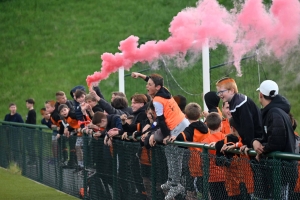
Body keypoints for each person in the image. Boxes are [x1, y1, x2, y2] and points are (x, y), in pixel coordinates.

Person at [132, 72, 189, 200]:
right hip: (180, 123)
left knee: (174, 154)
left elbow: (161, 120)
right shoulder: (164, 90)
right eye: (147, 84)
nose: (147, 86)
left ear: (157, 87)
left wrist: (166, 136)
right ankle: (173, 180)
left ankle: (176, 184)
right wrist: (140, 76)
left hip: (176, 126)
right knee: (171, 153)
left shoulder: (157, 100)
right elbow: (153, 80)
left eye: (150, 85)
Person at [252, 80, 297, 200]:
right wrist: (256, 141)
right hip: (279, 168)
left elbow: (277, 141)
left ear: (261, 94)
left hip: (281, 169)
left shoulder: (274, 113)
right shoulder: (275, 111)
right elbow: (268, 136)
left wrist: (262, 149)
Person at [216, 77, 263, 150]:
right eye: (218, 92)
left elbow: (248, 126)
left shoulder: (241, 103)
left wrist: (249, 145)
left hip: (257, 141)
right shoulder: (234, 103)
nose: (219, 95)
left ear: (232, 90)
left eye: (221, 92)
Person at [176, 102, 209, 199]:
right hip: (206, 163)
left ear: (185, 116)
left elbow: (179, 139)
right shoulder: (206, 128)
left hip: (194, 165)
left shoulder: (189, 130)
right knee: (206, 192)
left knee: (190, 192)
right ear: (199, 115)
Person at [215, 117, 254, 199]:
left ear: (232, 128)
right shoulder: (249, 139)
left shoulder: (229, 141)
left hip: (239, 184)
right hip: (248, 183)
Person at [202, 112, 227, 200]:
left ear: (207, 125)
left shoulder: (205, 141)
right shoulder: (226, 138)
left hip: (213, 177)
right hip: (227, 176)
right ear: (221, 124)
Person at [25, 98, 37, 165]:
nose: (26, 105)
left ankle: (33, 160)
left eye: (27, 103)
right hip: (28, 131)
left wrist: (30, 130)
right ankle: (31, 159)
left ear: (31, 104)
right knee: (28, 145)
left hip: (30, 132)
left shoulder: (32, 112)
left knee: (31, 145)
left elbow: (32, 123)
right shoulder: (29, 112)